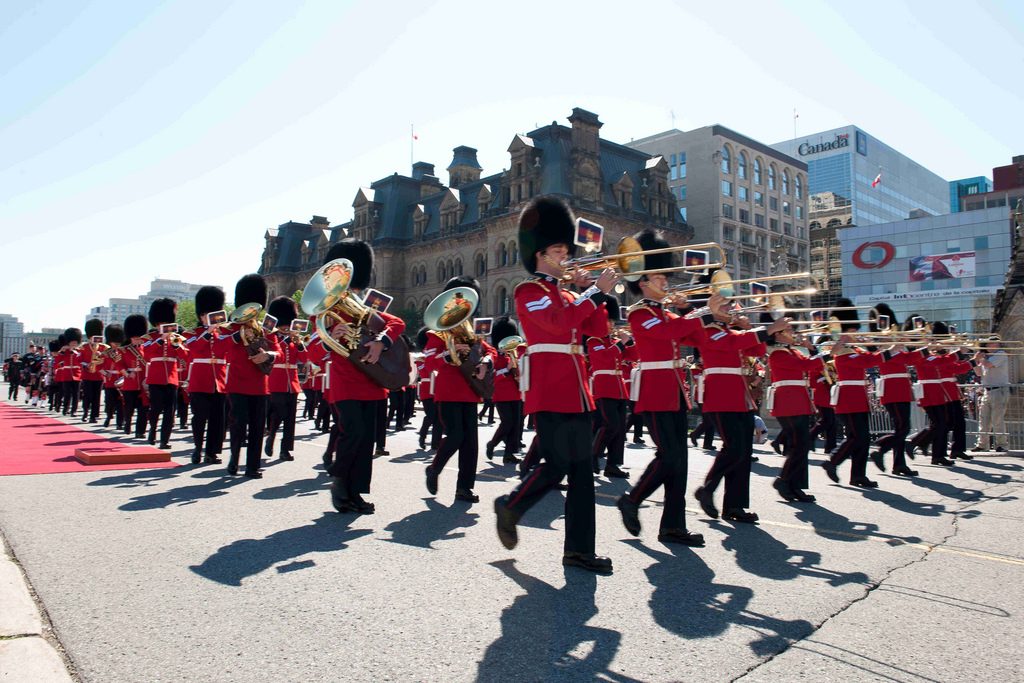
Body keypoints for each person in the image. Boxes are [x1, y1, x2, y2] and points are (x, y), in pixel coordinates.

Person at [494, 196, 617, 574]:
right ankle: (512, 506)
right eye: (558, 250)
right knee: (559, 463)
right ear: (540, 255)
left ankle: (579, 550)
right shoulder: (527, 291)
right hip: (548, 387)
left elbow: (596, 331)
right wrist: (590, 293)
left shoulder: (569, 294)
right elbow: (556, 324)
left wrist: (600, 296)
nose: (566, 256)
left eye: (566, 249)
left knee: (582, 473)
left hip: (578, 389)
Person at [615, 229, 708, 545]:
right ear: (643, 281)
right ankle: (632, 499)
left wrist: (691, 311)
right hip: (655, 389)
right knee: (668, 456)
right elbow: (669, 333)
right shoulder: (640, 312)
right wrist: (697, 312)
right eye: (660, 277)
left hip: (674, 389)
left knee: (679, 462)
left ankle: (673, 525)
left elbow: (696, 339)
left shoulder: (666, 312)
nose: (666, 282)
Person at [321, 239, 406, 514]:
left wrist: (381, 340)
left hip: (371, 380)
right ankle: (339, 482)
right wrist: (330, 336)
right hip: (345, 381)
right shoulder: (326, 309)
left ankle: (355, 493)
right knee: (353, 433)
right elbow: (315, 344)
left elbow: (397, 323)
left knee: (366, 438)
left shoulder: (365, 309)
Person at [693, 287, 786, 523]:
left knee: (743, 452)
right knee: (733, 448)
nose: (730, 309)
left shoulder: (731, 331)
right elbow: (731, 344)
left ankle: (735, 506)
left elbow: (755, 350)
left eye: (729, 305)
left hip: (739, 395)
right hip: (721, 394)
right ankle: (708, 488)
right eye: (724, 305)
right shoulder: (709, 329)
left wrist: (751, 329)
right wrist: (762, 330)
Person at [425, 276, 496, 503]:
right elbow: (429, 361)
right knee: (455, 436)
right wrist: (449, 352)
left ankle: (464, 488)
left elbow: (490, 351)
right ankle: (434, 468)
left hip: (469, 391)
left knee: (471, 443)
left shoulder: (471, 332)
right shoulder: (438, 332)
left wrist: (485, 362)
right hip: (448, 391)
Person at [218, 274, 277, 478]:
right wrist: (237, 335)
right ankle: (234, 459)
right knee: (238, 425)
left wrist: (267, 355)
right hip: (237, 383)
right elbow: (219, 347)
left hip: (260, 384)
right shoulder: (229, 327)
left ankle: (252, 466)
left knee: (258, 427)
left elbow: (276, 349)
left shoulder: (264, 328)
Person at [821, 303, 884, 488]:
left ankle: (858, 475)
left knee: (861, 438)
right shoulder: (842, 352)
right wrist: (888, 351)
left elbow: (871, 355)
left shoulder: (854, 348)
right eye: (852, 330)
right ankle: (833, 461)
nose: (856, 332)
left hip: (858, 398)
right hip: (849, 398)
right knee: (858, 437)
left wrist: (882, 344)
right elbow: (869, 361)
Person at [765, 325, 824, 502]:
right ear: (778, 334)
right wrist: (827, 354)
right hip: (788, 403)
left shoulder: (792, 351)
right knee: (800, 445)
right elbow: (806, 365)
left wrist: (813, 348)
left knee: (800, 446)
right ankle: (784, 480)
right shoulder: (777, 353)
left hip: (799, 401)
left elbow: (813, 366)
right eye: (790, 331)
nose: (794, 334)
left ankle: (795, 485)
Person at [869, 304, 921, 477]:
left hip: (902, 391)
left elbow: (912, 358)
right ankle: (881, 449)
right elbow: (887, 360)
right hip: (893, 391)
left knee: (902, 427)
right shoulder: (883, 351)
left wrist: (926, 345)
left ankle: (899, 464)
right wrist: (894, 346)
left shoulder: (896, 351)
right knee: (903, 428)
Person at [587, 294, 635, 479]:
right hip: (604, 388)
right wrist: (622, 345)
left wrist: (629, 341)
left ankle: (613, 464)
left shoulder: (613, 342)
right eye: (608, 321)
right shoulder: (594, 341)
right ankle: (593, 454)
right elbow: (605, 359)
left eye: (612, 321)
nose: (612, 325)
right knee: (611, 425)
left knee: (620, 429)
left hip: (619, 389)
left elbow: (635, 356)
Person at [184, 286, 228, 465]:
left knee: (218, 420)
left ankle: (212, 452)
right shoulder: (192, 334)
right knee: (200, 417)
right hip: (200, 381)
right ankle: (197, 448)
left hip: (220, 381)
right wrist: (207, 333)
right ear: (201, 316)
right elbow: (192, 349)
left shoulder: (224, 333)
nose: (209, 317)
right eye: (205, 315)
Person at [265, 296, 306, 462]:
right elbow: (277, 356)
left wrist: (300, 344)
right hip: (276, 380)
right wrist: (286, 339)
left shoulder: (293, 339)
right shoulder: (271, 337)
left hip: (292, 382)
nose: (286, 326)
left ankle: (286, 449)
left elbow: (303, 358)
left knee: (290, 418)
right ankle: (272, 436)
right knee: (279, 413)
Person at [143, 298, 188, 450]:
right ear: (156, 323)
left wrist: (176, 343)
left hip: (172, 376)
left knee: (170, 411)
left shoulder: (175, 337)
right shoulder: (150, 338)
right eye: (161, 323)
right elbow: (147, 353)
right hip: (156, 377)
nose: (163, 325)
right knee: (155, 409)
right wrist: (161, 340)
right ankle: (152, 431)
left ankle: (164, 440)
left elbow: (185, 355)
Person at [485, 316, 525, 464]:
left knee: (516, 424)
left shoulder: (511, 354)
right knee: (507, 422)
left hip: (515, 393)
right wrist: (506, 370)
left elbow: (517, 373)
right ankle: (492, 444)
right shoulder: (494, 354)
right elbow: (492, 375)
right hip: (501, 394)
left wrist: (519, 373)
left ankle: (509, 453)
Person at [973, 338, 1009, 453]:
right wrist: (975, 361)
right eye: (990, 343)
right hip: (987, 391)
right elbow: (978, 373)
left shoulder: (1001, 354)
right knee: (983, 419)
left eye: (995, 343)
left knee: (997, 419)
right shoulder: (986, 358)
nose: (992, 345)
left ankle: (1002, 444)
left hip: (999, 390)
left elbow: (989, 365)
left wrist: (980, 358)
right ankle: (982, 444)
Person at [118, 316, 150, 439]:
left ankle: (140, 431)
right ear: (130, 338)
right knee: (129, 407)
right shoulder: (124, 350)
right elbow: (119, 364)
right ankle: (127, 424)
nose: (137, 340)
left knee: (144, 408)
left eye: (138, 338)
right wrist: (127, 373)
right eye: (135, 338)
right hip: (130, 382)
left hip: (143, 382)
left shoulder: (147, 349)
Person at [78, 319, 106, 424]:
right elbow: (78, 360)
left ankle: (94, 415)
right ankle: (85, 411)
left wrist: (101, 356)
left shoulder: (103, 348)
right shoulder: (84, 347)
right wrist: (86, 364)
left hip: (98, 375)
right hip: (87, 375)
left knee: (96, 396)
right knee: (88, 395)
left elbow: (108, 360)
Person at [100, 324, 125, 430]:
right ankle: (108, 417)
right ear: (110, 342)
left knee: (120, 403)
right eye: (115, 343)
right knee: (110, 402)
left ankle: (120, 423)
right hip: (110, 380)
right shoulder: (105, 353)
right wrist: (106, 374)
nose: (116, 345)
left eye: (118, 343)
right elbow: (99, 367)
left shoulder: (124, 352)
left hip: (120, 380)